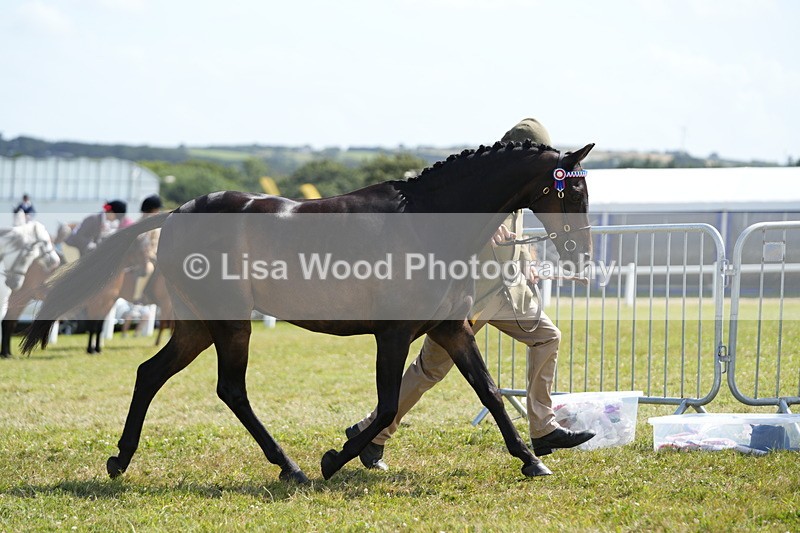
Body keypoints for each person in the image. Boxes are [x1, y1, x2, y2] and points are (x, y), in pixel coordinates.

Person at [346, 118, 594, 471]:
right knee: (429, 370)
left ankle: (542, 426)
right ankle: (372, 433)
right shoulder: (482, 186)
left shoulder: (526, 190)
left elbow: (519, 245)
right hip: (470, 299)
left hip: (509, 295)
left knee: (547, 338)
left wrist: (530, 265)